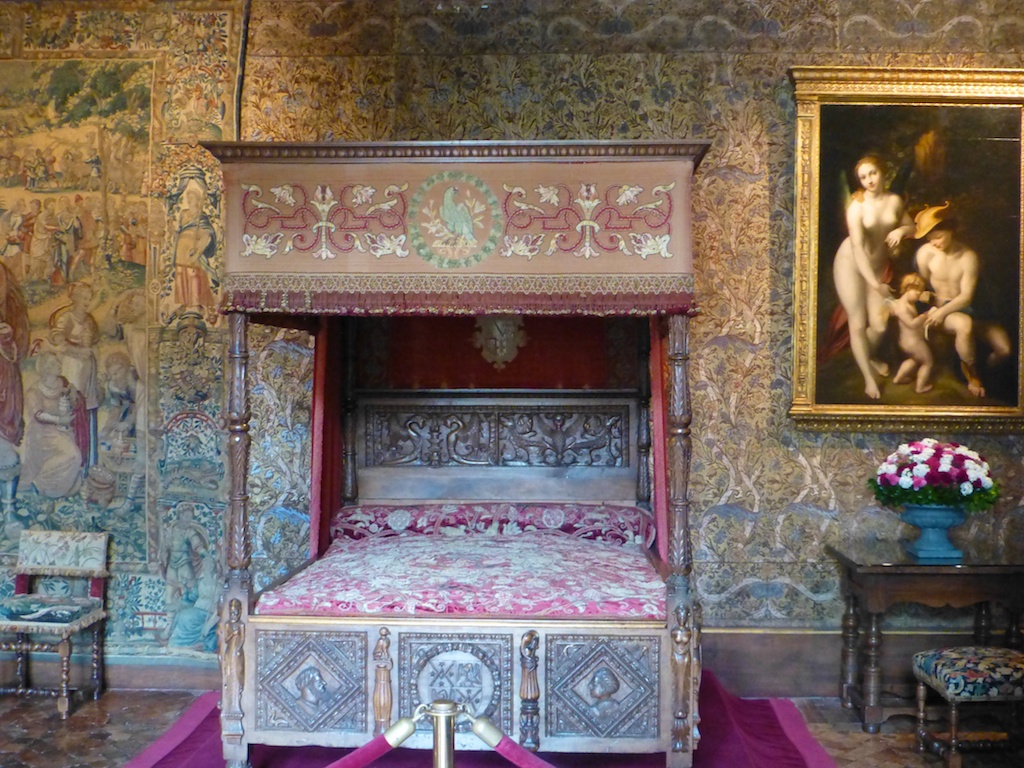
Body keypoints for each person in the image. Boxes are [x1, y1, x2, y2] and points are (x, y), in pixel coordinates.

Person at [829, 154, 915, 399]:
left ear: (882, 173)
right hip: (851, 264)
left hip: (877, 266)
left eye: (873, 173)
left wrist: (901, 230)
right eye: (863, 177)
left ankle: (866, 356)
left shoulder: (895, 201)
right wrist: (875, 285)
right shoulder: (856, 206)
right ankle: (869, 378)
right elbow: (857, 249)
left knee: (878, 325)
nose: (869, 180)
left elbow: (913, 227)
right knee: (857, 322)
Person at [913, 202, 1012, 398]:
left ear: (951, 230)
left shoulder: (968, 257)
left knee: (1005, 350)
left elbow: (966, 297)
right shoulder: (925, 254)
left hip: (973, 308)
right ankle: (973, 376)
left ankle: (984, 369)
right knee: (964, 325)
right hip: (943, 310)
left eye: (938, 237)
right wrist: (935, 308)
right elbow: (922, 286)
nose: (934, 243)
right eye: (930, 239)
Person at [21, 351, 85, 499]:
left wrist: (74, 395)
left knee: (75, 470)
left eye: (58, 362)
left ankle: (53, 490)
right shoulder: (34, 391)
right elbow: (38, 415)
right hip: (43, 434)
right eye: (54, 363)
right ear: (46, 369)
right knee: (73, 455)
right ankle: (39, 483)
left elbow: (73, 402)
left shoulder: (63, 383)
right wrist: (59, 420)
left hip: (62, 430)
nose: (59, 365)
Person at [889, 273, 935, 394]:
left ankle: (899, 378)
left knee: (914, 360)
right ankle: (920, 387)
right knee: (928, 362)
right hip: (913, 342)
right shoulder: (902, 307)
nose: (918, 295)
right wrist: (925, 316)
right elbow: (912, 324)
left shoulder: (906, 302)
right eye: (917, 292)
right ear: (909, 288)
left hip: (906, 342)